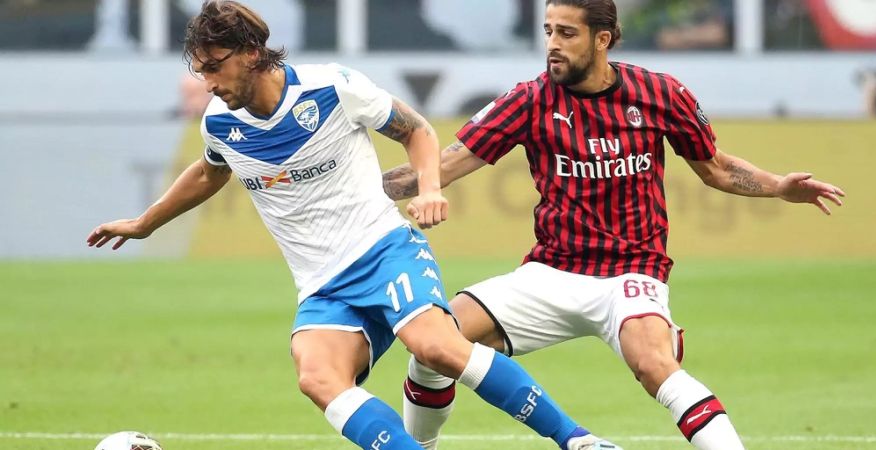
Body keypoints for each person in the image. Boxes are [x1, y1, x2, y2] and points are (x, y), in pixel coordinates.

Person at [86, 2, 620, 450]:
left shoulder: (330, 87)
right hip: (323, 285)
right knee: (317, 377)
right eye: (199, 69)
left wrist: (430, 188)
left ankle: (578, 441)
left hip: (386, 249)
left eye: (214, 66)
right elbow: (208, 172)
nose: (206, 82)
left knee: (435, 347)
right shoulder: (221, 123)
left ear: (250, 54)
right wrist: (144, 223)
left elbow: (417, 131)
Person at [382, 1, 846, 449]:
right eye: (548, 32)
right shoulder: (529, 100)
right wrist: (350, 193)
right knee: (432, 343)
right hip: (551, 271)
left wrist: (779, 186)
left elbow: (717, 169)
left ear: (602, 39)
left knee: (654, 365)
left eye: (566, 33)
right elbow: (442, 167)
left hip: (631, 272)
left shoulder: (661, 93)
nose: (553, 45)